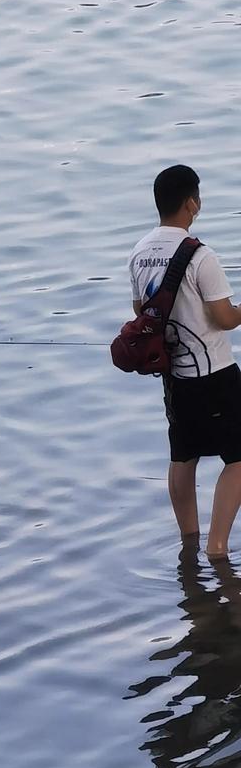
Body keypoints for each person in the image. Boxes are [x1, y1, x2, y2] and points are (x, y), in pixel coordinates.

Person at [128, 165, 241, 558]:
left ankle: (188, 542)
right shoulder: (200, 255)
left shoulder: (139, 253)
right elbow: (223, 318)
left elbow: (141, 311)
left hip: (174, 377)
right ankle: (217, 547)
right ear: (191, 202)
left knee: (183, 454)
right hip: (215, 373)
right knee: (239, 458)